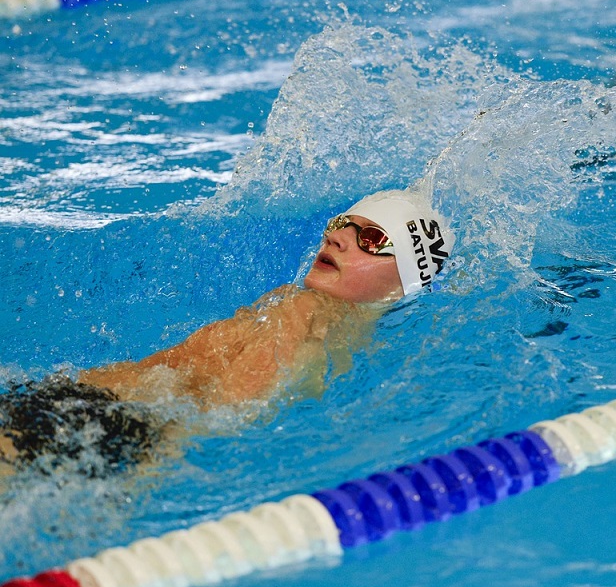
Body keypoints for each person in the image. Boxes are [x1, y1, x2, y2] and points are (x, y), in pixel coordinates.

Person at [0, 189, 454, 474]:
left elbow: (232, 408)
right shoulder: (354, 342)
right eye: (342, 224)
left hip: (107, 422)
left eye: (371, 239)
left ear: (404, 280)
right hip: (106, 418)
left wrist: (157, 452)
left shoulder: (301, 309)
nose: (338, 238)